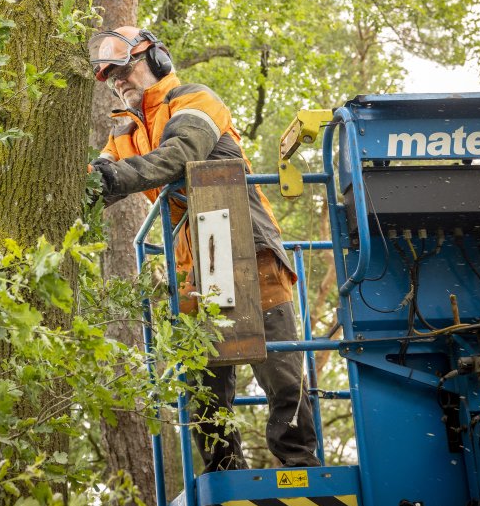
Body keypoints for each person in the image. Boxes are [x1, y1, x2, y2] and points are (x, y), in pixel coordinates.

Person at [87, 26, 321, 472]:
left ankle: (301, 467)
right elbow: (95, 174)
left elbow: (179, 156)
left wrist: (110, 179)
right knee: (201, 387)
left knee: (280, 373)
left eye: (125, 68)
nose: (119, 80)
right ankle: (222, 475)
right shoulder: (125, 133)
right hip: (193, 270)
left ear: (156, 60)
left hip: (250, 249)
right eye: (111, 76)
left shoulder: (193, 101)